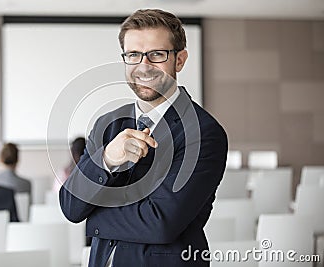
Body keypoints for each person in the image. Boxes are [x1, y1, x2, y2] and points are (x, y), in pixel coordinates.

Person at [59, 9, 227, 267]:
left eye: (157, 55)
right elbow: (71, 206)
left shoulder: (203, 132)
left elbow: (161, 223)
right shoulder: (107, 123)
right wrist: (106, 159)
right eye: (134, 55)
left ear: (179, 60)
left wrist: (92, 218)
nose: (144, 66)